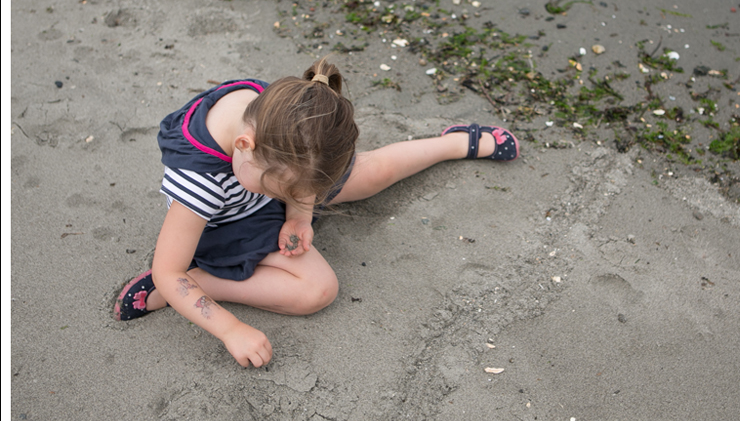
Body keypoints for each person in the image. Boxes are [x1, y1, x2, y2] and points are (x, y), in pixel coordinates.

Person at [114, 57, 519, 367]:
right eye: (292, 191)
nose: (303, 196)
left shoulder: (285, 117)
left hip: (277, 176)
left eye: (307, 191)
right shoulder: (200, 185)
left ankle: (456, 143)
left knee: (372, 171)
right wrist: (230, 329)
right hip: (230, 222)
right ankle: (194, 284)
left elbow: (299, 177)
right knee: (316, 290)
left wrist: (299, 213)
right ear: (243, 145)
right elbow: (168, 267)